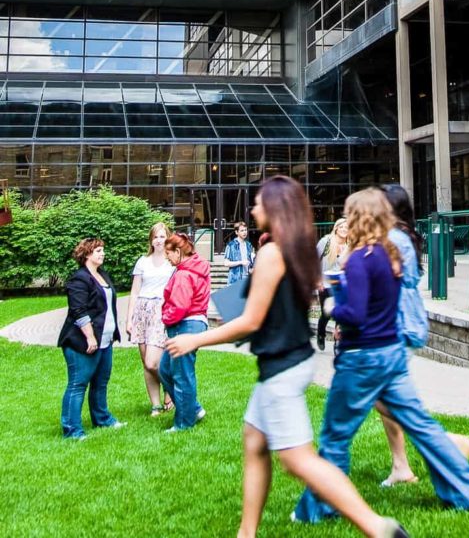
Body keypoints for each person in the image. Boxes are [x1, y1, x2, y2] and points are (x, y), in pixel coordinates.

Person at [166, 177, 408, 538]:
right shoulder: (297, 250)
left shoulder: (271, 253)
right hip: (287, 361)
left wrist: (195, 340)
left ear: (275, 208)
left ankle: (378, 527)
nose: (253, 209)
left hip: (282, 367)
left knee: (297, 460)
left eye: (259, 203)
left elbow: (252, 319)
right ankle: (246, 532)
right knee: (254, 442)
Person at [293, 187, 469, 525]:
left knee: (335, 436)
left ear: (359, 218)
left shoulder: (360, 259)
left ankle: (319, 508)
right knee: (422, 425)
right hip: (392, 354)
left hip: (362, 358)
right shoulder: (390, 254)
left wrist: (331, 306)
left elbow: (355, 314)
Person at [377, 184, 469, 488]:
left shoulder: (393, 239)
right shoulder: (401, 235)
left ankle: (446, 442)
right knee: (386, 396)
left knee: (380, 395)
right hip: (400, 321)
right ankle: (401, 466)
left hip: (395, 324)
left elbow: (382, 282)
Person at [57, 238, 125, 439]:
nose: (102, 253)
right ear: (87, 254)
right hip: (81, 343)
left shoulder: (102, 275)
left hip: (105, 340)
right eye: (98, 250)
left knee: (101, 382)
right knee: (78, 384)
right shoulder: (79, 279)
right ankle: (72, 430)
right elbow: (78, 310)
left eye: (103, 250)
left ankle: (102, 419)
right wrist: (90, 337)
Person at [160, 232, 210, 432]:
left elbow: (179, 306)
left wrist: (165, 317)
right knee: (165, 369)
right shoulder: (193, 268)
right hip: (193, 323)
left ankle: (183, 423)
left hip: (185, 325)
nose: (166, 257)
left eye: (168, 253)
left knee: (181, 374)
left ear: (178, 251)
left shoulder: (183, 274)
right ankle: (192, 409)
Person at [126, 222, 175, 416]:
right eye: (155, 237)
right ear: (151, 240)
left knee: (152, 362)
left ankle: (170, 391)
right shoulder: (143, 262)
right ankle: (155, 404)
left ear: (168, 238)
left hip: (161, 311)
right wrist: (129, 319)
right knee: (145, 362)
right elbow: (135, 291)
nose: (159, 240)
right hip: (142, 311)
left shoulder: (171, 262)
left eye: (162, 236)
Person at [315, 218, 348, 351]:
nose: (344, 229)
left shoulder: (350, 245)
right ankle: (321, 334)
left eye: (347, 227)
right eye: (342, 227)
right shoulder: (326, 242)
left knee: (340, 313)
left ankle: (337, 342)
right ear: (336, 228)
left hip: (342, 284)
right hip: (325, 283)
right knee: (326, 313)